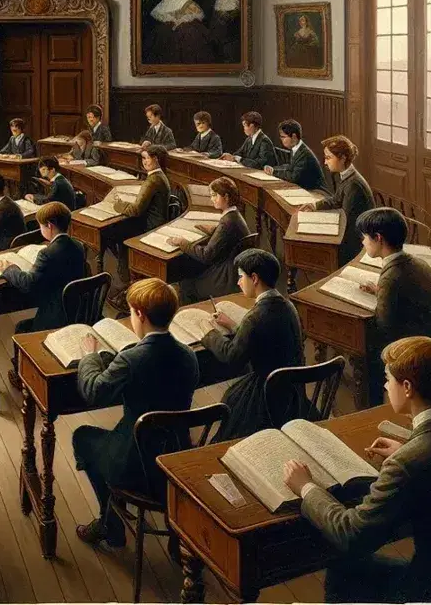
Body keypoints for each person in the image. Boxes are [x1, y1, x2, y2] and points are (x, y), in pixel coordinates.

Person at [282, 337, 431, 603]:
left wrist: (306, 487)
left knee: (343, 570)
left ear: (407, 387)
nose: (385, 385)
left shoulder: (408, 463)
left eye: (387, 378)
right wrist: (409, 449)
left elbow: (352, 534)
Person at [72, 279, 199, 547]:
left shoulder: (131, 359)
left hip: (136, 463)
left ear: (140, 314)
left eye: (131, 313)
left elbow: (94, 391)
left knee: (82, 437)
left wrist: (89, 357)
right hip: (177, 455)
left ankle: (111, 524)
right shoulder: (188, 355)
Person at [352, 207, 431, 404]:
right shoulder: (417, 262)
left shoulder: (391, 276)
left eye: (365, 237)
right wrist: (379, 290)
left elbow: (384, 326)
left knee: (360, 353)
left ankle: (369, 407)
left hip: (414, 347)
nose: (363, 242)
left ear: (378, 238)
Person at [201, 248, 305, 440]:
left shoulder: (256, 316)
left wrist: (209, 335)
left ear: (255, 278)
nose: (238, 282)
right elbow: (265, 334)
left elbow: (231, 357)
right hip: (292, 387)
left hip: (267, 392)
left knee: (231, 401)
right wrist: (233, 325)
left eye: (241, 277)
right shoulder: (286, 304)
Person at [0, 202, 87, 335]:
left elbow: (28, 284)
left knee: (21, 327)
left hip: (56, 316)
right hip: (79, 311)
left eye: (41, 226)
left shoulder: (47, 253)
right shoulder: (79, 246)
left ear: (49, 226)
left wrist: (10, 268)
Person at [110, 145, 173, 305]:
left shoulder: (153, 179)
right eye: (143, 158)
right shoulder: (159, 176)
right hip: (155, 223)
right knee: (120, 231)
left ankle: (128, 285)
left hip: (150, 228)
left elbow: (136, 210)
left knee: (118, 234)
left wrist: (118, 204)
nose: (144, 162)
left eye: (147, 158)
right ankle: (126, 281)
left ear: (156, 159)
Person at [171, 177, 250, 303]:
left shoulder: (227, 222)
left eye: (215, 195)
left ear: (226, 197)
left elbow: (206, 255)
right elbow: (227, 236)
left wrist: (183, 243)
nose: (212, 199)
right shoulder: (234, 215)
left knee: (186, 284)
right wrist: (215, 230)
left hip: (225, 278)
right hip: (231, 270)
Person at [304, 135, 374, 264]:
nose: (325, 162)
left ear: (342, 158)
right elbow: (337, 199)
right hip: (352, 235)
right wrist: (315, 206)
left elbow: (348, 224)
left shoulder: (353, 184)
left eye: (329, 158)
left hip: (358, 244)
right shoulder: (347, 176)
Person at [149, 0, 209, 64]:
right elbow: (159, 13)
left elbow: (198, 12)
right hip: (168, 28)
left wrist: (182, 19)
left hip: (184, 28)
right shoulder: (167, 0)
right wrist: (171, 19)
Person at [264, 119, 325, 190]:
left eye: (283, 137)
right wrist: (274, 169)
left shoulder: (304, 154)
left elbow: (294, 177)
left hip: (316, 192)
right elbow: (291, 167)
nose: (281, 139)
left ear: (294, 136)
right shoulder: (296, 148)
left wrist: (273, 172)